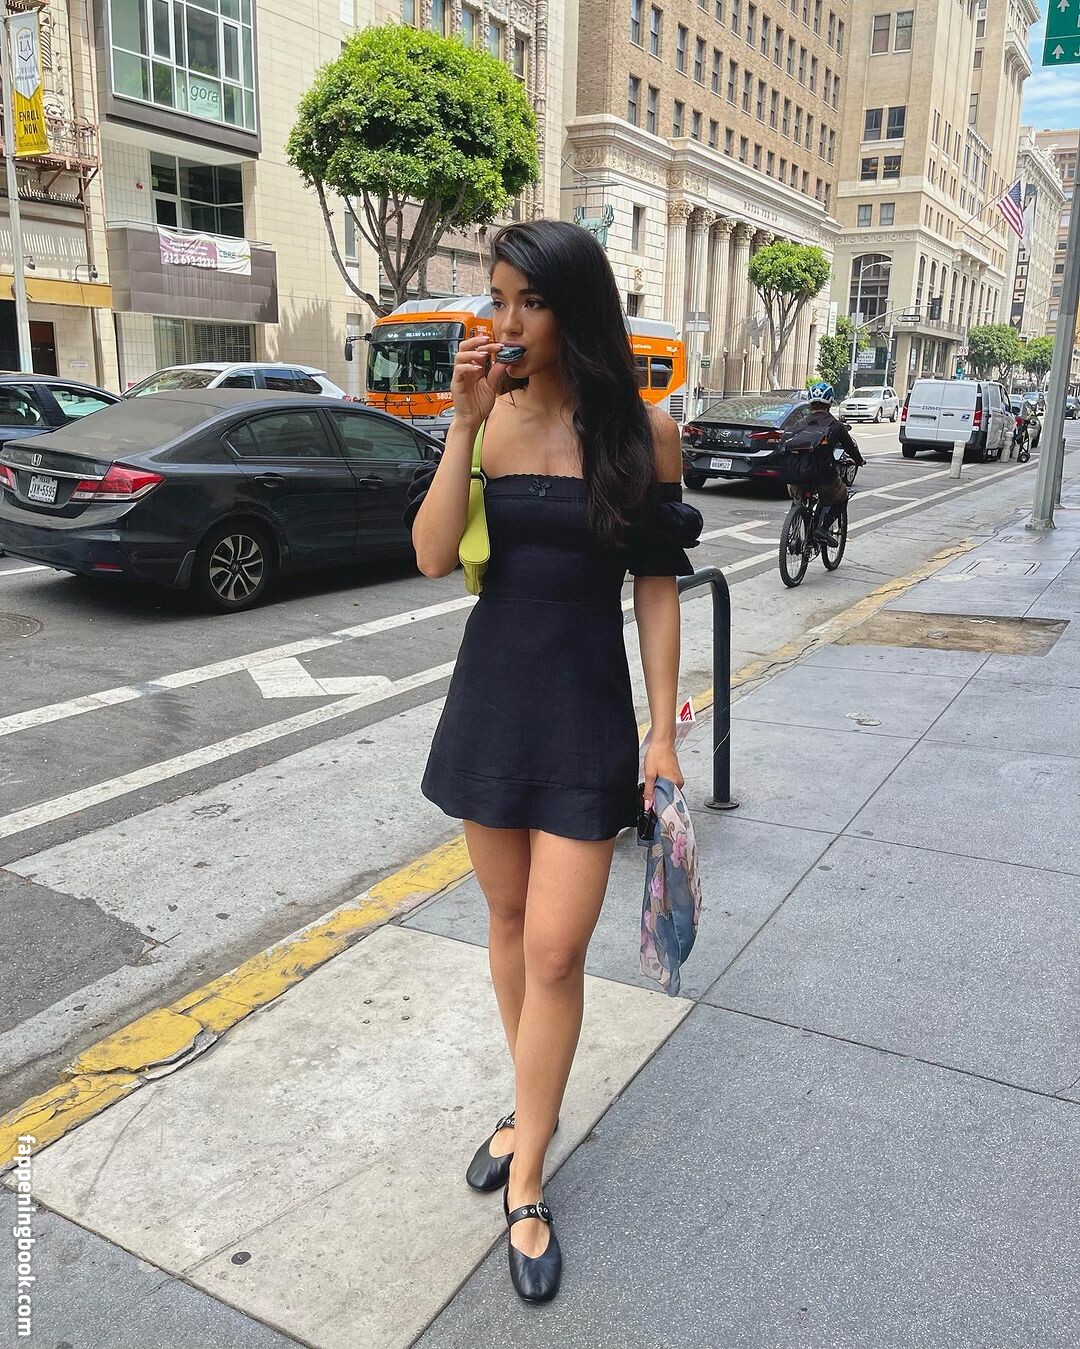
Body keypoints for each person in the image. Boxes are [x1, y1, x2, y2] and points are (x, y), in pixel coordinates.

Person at [405, 219, 703, 1305]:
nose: (506, 321)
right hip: (491, 700)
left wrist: (663, 732)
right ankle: (532, 1105)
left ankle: (527, 1176)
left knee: (559, 950)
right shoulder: (489, 418)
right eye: (497, 299)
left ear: (573, 308)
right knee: (507, 923)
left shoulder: (642, 431)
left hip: (584, 709)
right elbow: (433, 555)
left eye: (527, 300)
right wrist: (460, 421)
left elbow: (657, 585)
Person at [787, 381, 865, 543]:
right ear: (830, 402)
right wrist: (859, 460)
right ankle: (823, 529)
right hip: (823, 474)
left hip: (797, 473)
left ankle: (794, 533)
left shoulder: (800, 423)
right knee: (841, 497)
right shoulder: (836, 426)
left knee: (797, 500)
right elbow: (850, 447)